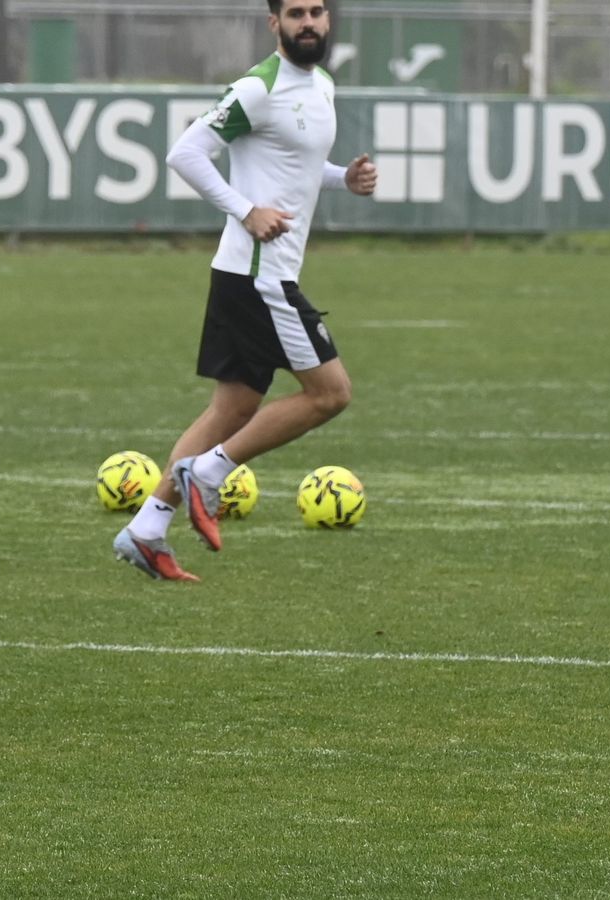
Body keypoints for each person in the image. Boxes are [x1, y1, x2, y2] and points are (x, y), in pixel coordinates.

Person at [114, 0, 377, 581]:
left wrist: (343, 179)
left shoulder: (322, 84)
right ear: (273, 24)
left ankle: (147, 528)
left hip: (247, 275)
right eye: (295, 13)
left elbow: (295, 166)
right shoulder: (259, 88)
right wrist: (245, 210)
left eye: (317, 12)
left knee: (232, 408)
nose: (308, 22)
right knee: (330, 394)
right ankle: (208, 474)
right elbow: (186, 153)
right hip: (260, 276)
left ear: (328, 21)